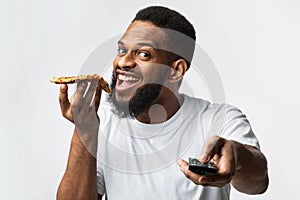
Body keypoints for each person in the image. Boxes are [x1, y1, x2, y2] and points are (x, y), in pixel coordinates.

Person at [56, 6, 268, 200]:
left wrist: (237, 156)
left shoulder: (218, 119)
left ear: (176, 71)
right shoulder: (105, 128)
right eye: (122, 50)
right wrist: (85, 131)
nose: (122, 62)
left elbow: (258, 182)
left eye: (143, 54)